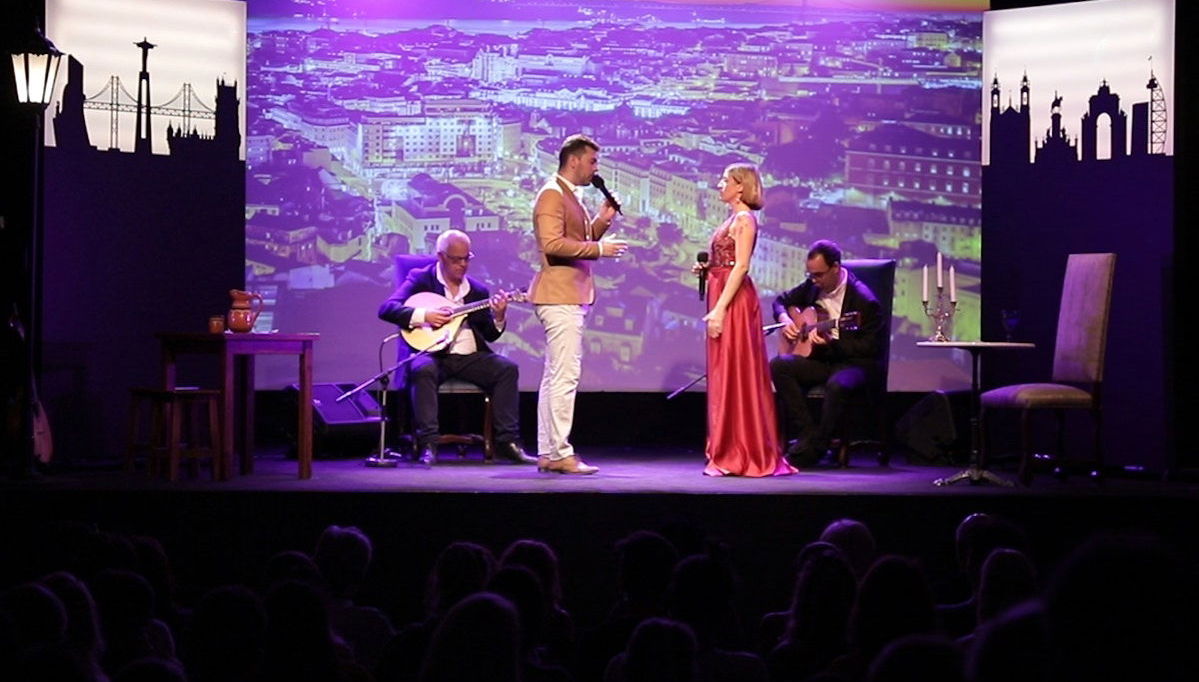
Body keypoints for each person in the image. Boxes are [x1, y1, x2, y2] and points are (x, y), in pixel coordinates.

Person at [378, 229, 536, 466]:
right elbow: (387, 309)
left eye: (466, 258)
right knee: (422, 370)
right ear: (441, 257)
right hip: (433, 355)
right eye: (456, 259)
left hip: (470, 357)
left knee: (507, 369)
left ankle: (508, 443)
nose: (462, 265)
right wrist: (425, 315)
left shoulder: (477, 291)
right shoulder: (421, 279)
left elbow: (490, 335)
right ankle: (428, 444)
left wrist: (500, 316)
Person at [529, 134, 627, 475]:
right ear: (574, 161)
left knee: (555, 375)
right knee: (564, 375)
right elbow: (554, 244)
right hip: (559, 294)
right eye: (592, 162)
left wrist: (602, 222)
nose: (595, 169)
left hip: (567, 294)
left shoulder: (568, 196)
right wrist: (600, 250)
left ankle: (548, 451)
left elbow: (576, 241)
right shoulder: (552, 196)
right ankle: (559, 452)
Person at [695, 163, 795, 477]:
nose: (719, 184)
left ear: (740, 186)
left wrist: (720, 309)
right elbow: (726, 263)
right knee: (725, 370)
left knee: (735, 369)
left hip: (734, 301)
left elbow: (741, 267)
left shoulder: (744, 219)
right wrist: (709, 269)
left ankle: (741, 449)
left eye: (725, 180)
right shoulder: (732, 218)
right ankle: (728, 446)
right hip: (723, 291)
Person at [769, 240, 884, 467]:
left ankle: (817, 446)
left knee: (837, 385)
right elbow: (781, 302)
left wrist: (831, 343)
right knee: (779, 365)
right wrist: (786, 320)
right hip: (822, 359)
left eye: (819, 275)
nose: (814, 280)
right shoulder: (813, 285)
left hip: (854, 363)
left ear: (835, 268)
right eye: (810, 275)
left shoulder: (864, 300)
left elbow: (870, 347)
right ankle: (808, 433)